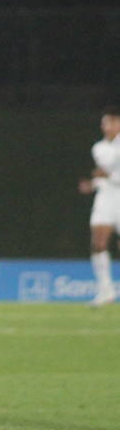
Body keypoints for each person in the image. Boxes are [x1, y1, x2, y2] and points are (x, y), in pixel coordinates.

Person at [78, 107, 120, 306]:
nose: (107, 126)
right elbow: (103, 175)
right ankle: (106, 291)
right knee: (98, 243)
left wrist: (108, 176)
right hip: (105, 198)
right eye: (105, 123)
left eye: (111, 122)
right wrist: (93, 184)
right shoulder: (98, 148)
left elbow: (109, 174)